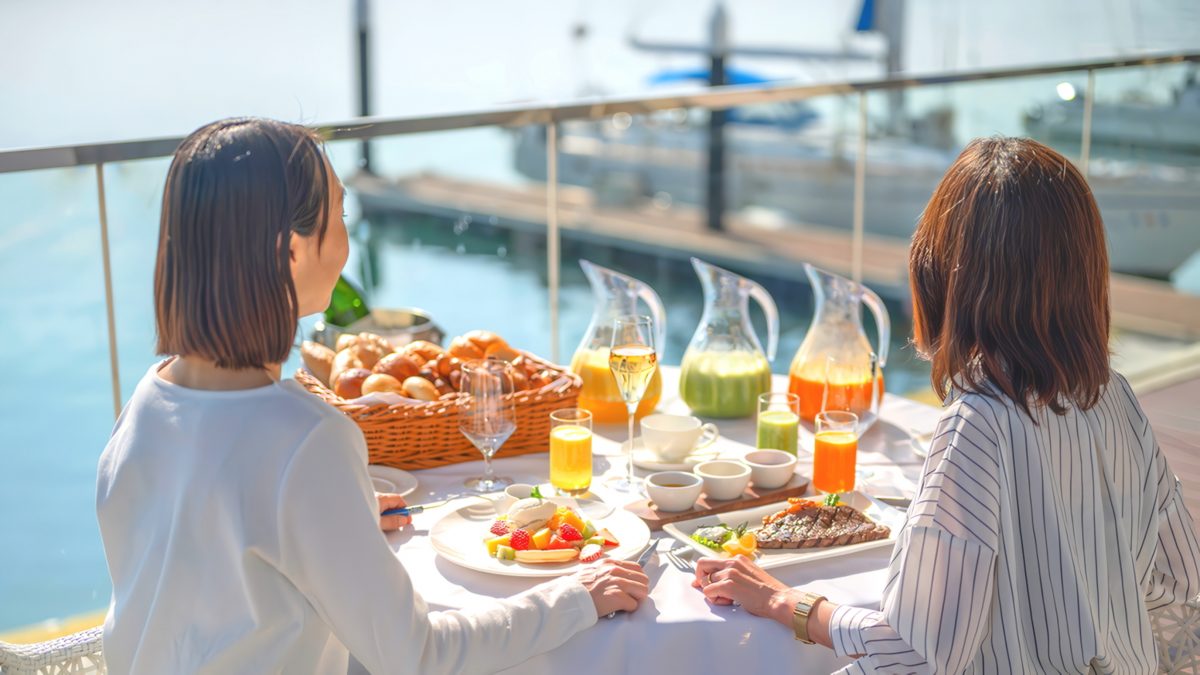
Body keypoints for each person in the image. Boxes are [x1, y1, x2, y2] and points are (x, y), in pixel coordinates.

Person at [96, 117, 649, 675]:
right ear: (291, 251)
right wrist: (573, 599)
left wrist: (338, 513)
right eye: (338, 213)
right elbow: (419, 656)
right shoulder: (307, 436)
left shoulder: (148, 400)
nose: (344, 234)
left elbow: (219, 556)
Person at [692, 137, 1200, 673]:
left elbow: (916, 650)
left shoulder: (979, 421)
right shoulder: (1113, 393)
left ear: (942, 271)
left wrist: (781, 601)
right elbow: (1177, 584)